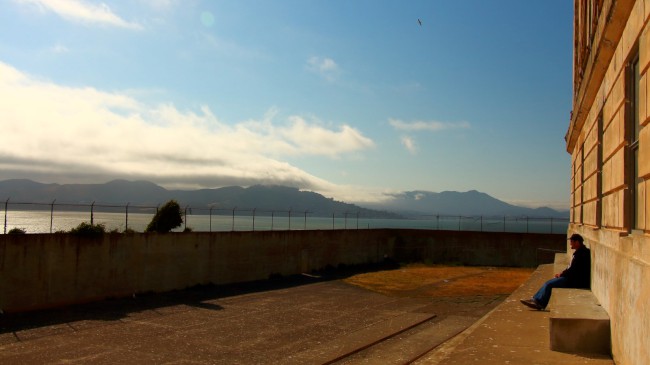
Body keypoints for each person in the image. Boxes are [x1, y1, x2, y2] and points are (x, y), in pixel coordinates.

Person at [520, 233, 591, 310]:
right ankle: (535, 299)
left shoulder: (581, 254)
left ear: (577, 242)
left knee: (549, 284)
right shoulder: (580, 252)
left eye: (571, 241)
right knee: (548, 282)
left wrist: (561, 274)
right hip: (572, 278)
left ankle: (540, 303)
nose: (570, 243)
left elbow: (572, 270)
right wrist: (561, 274)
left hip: (575, 281)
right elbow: (571, 268)